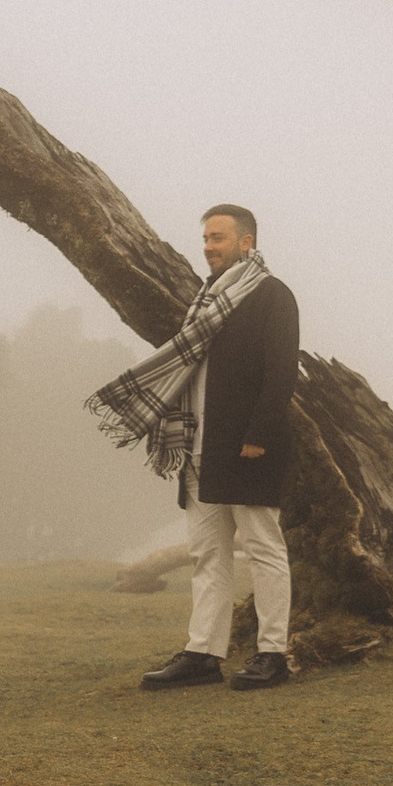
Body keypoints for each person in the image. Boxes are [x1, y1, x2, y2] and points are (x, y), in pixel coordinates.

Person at [87, 204, 299, 692]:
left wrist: (258, 437)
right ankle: (203, 653)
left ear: (247, 242)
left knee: (264, 549)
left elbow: (280, 372)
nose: (208, 247)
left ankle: (272, 654)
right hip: (198, 447)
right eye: (205, 238)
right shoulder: (205, 301)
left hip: (247, 448)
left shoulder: (272, 296)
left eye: (218, 238)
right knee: (208, 554)